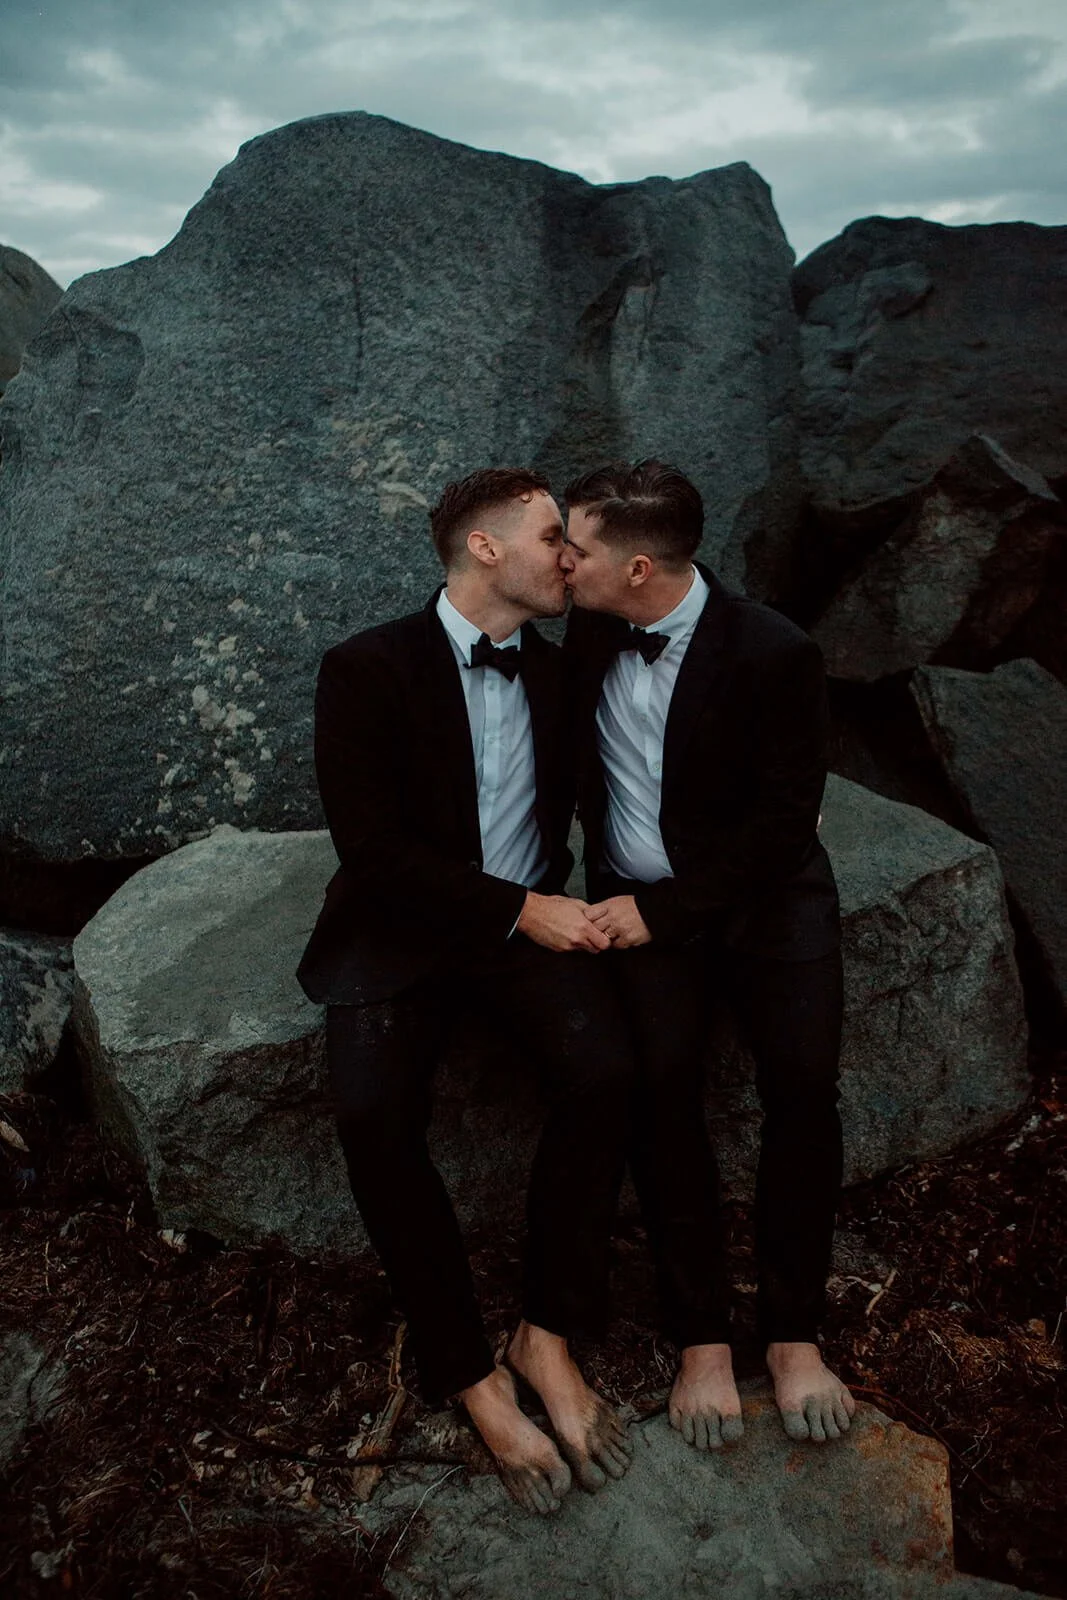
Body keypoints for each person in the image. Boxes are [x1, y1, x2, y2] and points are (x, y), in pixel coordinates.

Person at [296, 467, 634, 1514]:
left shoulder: (563, 666)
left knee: (607, 1073)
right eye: (548, 537)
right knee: (371, 1112)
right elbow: (372, 848)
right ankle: (466, 1371)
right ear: (483, 548)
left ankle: (545, 1334)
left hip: (516, 935)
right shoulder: (364, 667)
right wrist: (519, 907)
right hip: (400, 929)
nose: (566, 558)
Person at [559, 459, 856, 1449]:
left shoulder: (774, 651)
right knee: (659, 1089)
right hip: (633, 906)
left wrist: (669, 908)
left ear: (637, 567)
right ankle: (698, 1337)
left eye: (578, 546)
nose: (561, 557)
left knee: (804, 1092)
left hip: (764, 908)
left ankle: (792, 1333)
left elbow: (783, 820)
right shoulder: (587, 627)